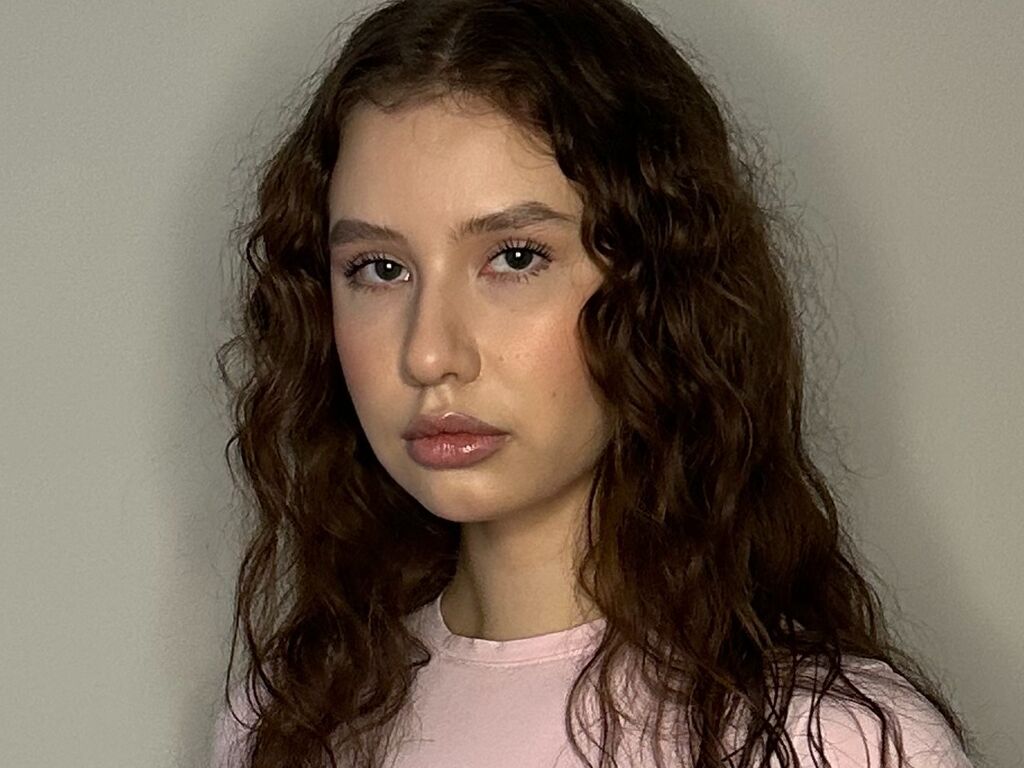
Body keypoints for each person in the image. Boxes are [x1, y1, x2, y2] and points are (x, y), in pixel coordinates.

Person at [210, 0, 977, 766]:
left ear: (657, 289)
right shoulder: (284, 722)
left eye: (515, 258)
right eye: (379, 269)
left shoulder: (832, 743)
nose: (430, 354)